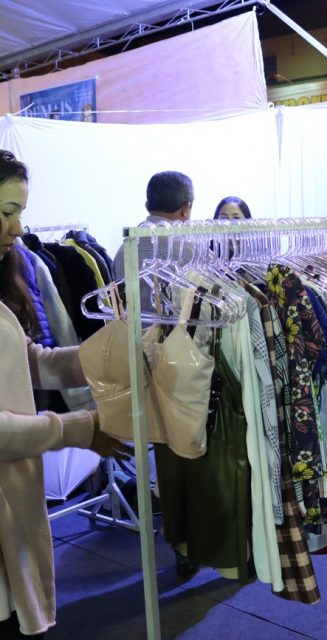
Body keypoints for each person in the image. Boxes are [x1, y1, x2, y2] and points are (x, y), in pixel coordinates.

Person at [0, 149, 132, 638]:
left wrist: (110, 356)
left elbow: (30, 361)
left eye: (19, 213)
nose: (18, 229)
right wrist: (78, 427)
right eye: (7, 212)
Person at [112, 170, 200, 578]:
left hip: (139, 359)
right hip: (184, 360)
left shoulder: (125, 246)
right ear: (185, 208)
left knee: (160, 448)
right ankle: (191, 539)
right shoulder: (188, 245)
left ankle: (177, 539)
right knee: (189, 450)